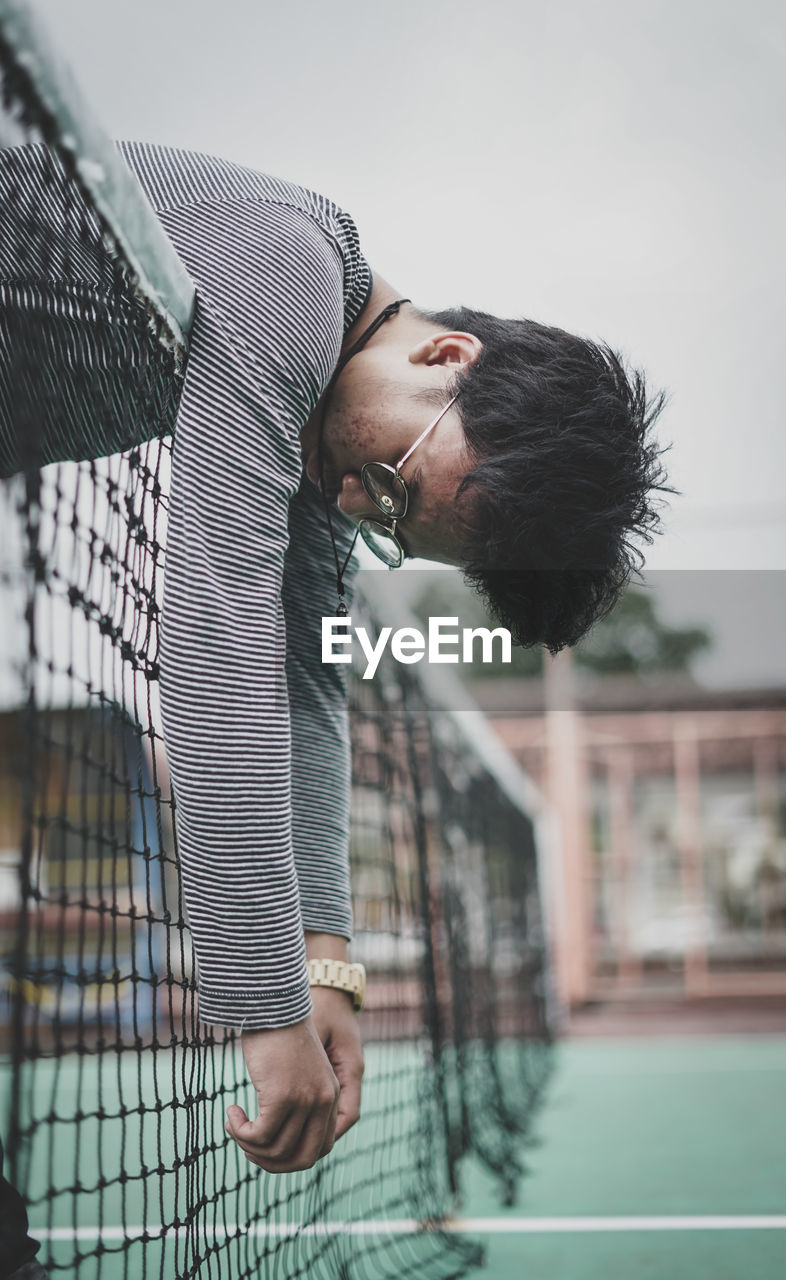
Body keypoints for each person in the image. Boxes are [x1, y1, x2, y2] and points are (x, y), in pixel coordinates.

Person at [0, 141, 670, 1199]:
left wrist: (326, 968)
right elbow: (216, 629)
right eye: (398, 484)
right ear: (449, 357)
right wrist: (265, 1003)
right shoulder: (286, 275)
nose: (360, 508)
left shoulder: (326, 410)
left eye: (395, 525)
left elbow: (306, 679)